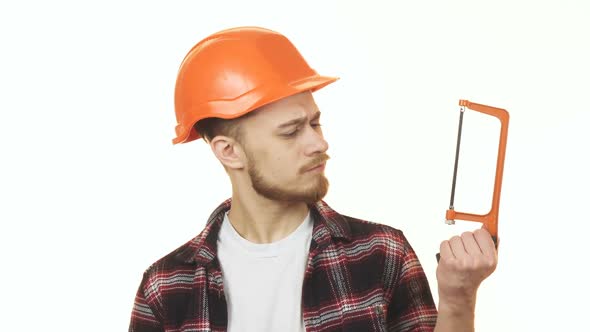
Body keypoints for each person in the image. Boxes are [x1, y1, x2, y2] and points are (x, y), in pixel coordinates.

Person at [129, 26, 497, 332]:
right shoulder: (167, 287)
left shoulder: (382, 255)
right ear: (229, 152)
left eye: (315, 123)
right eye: (291, 132)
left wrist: (458, 301)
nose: (319, 143)